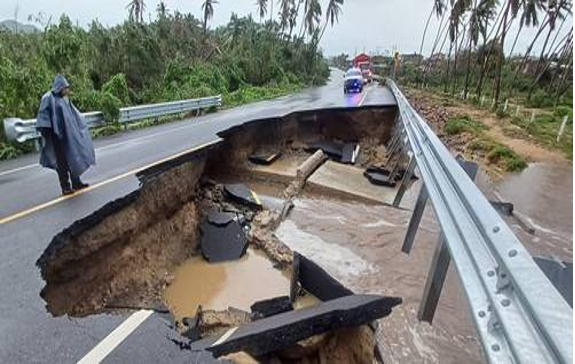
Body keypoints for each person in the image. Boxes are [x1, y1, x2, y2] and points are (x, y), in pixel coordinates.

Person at [36, 75, 96, 196]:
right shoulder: (48, 98)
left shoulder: (64, 99)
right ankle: (65, 187)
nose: (67, 90)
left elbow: (72, 115)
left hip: (68, 136)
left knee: (73, 157)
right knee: (62, 162)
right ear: (59, 87)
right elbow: (43, 117)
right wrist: (48, 133)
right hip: (56, 138)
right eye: (65, 88)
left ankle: (76, 182)